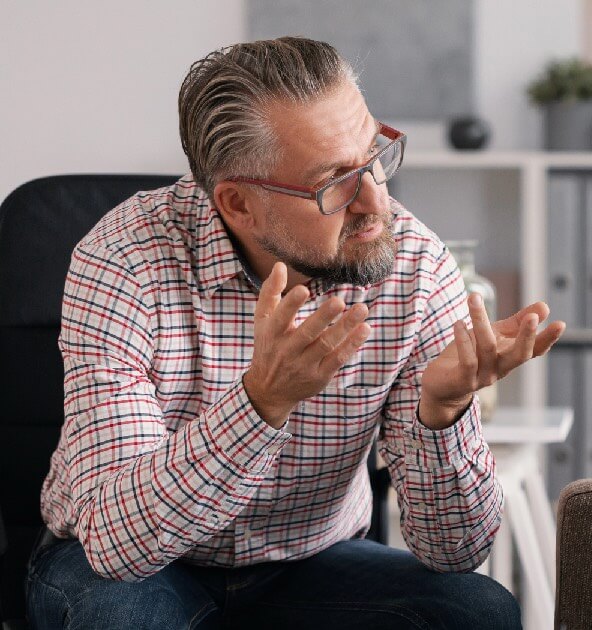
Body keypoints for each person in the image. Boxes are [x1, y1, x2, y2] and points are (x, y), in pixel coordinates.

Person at [26, 37, 563, 629]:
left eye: (373, 158)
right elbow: (118, 548)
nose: (375, 202)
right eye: (335, 183)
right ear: (238, 205)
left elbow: (457, 551)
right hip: (135, 566)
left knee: (477, 612)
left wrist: (444, 412)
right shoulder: (121, 261)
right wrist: (261, 403)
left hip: (313, 558)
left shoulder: (413, 264)